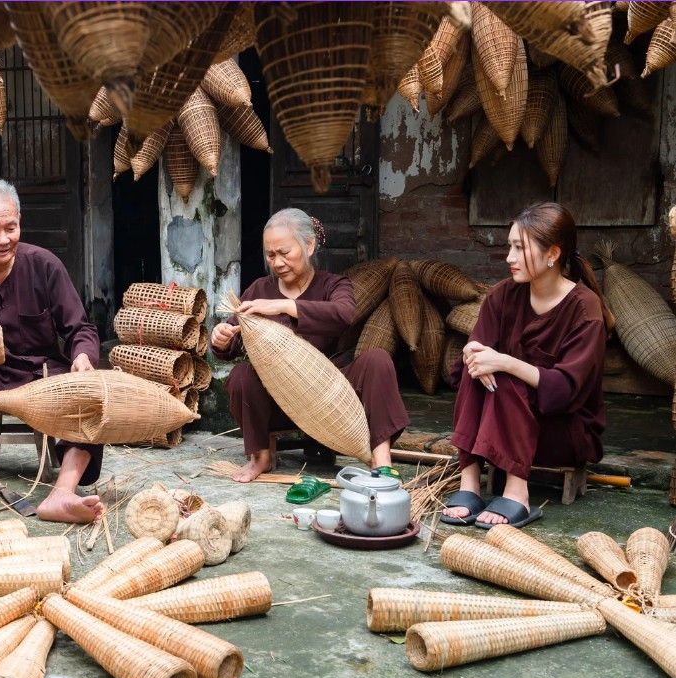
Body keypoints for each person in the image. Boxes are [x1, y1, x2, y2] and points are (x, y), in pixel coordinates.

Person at [0, 179, 105, 524]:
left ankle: (62, 492)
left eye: (11, 227)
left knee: (93, 388)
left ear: (20, 222)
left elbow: (80, 328)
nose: (3, 238)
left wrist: (83, 356)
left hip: (41, 371)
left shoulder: (44, 264)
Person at [441, 202, 612, 529]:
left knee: (504, 375)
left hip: (562, 429)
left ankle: (517, 492)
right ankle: (470, 483)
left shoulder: (585, 310)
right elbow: (474, 356)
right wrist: (476, 357)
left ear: (553, 253)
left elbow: (564, 390)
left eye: (520, 248)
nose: (509, 257)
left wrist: (506, 362)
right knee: (474, 365)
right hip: (501, 426)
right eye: (510, 246)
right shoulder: (502, 296)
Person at [211, 208, 410, 482]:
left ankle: (381, 459)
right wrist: (221, 339)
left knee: (377, 360)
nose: (278, 263)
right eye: (271, 256)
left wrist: (284, 306)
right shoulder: (258, 289)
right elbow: (233, 341)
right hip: (279, 402)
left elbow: (344, 314)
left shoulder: (334, 284)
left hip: (332, 398)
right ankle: (260, 457)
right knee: (241, 376)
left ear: (309, 245)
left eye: (284, 252)